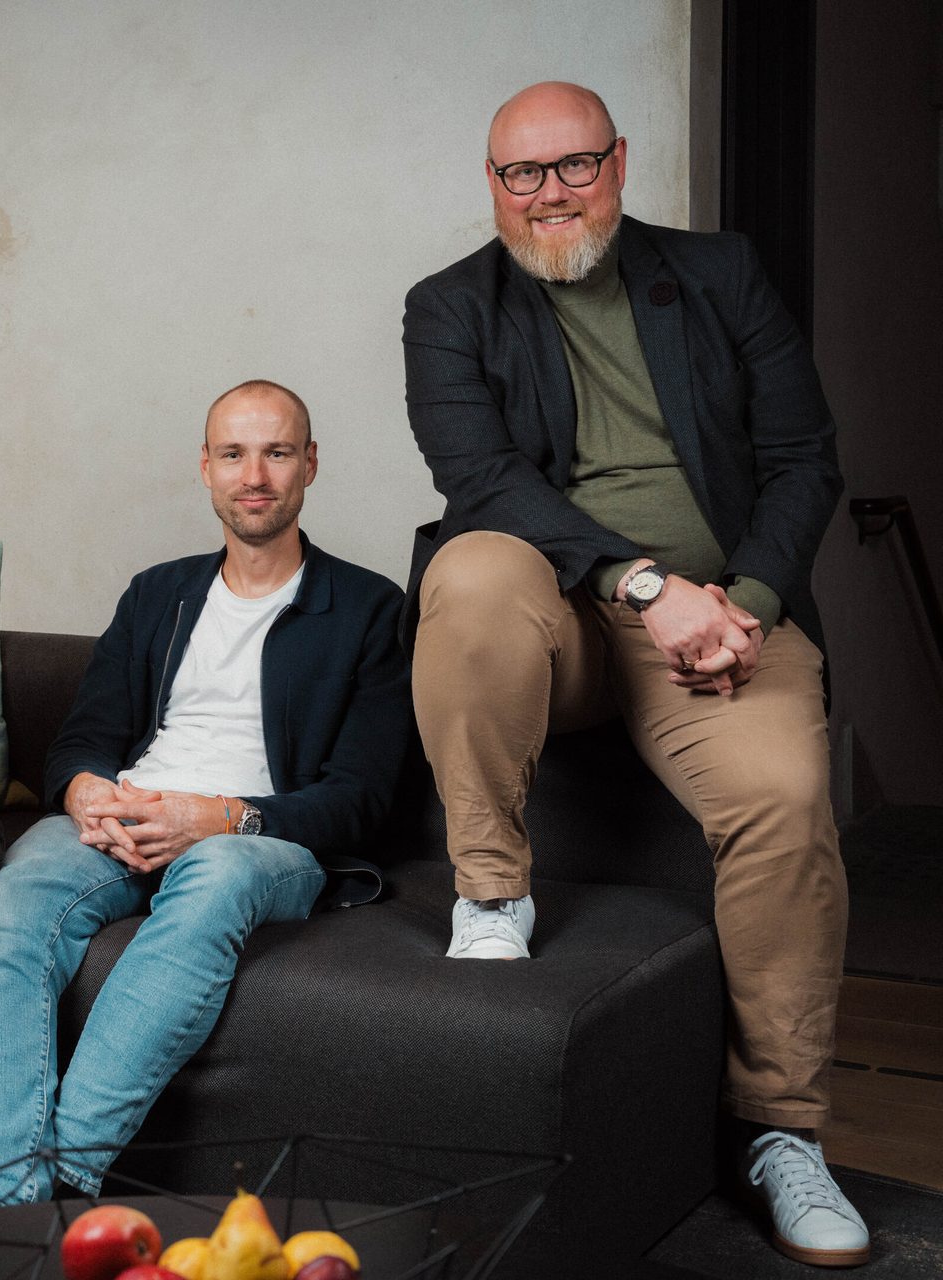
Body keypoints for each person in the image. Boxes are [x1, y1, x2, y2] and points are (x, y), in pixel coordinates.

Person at [401, 82, 864, 1266]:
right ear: (492, 184)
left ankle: (780, 1129)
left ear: (620, 160)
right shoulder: (450, 306)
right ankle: (494, 895)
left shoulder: (719, 274)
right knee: (471, 567)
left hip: (728, 624)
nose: (550, 193)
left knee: (786, 799)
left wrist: (742, 604)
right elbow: (483, 476)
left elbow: (805, 459)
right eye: (523, 174)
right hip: (566, 612)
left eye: (575, 166)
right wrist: (648, 589)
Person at [0, 380, 412, 1210]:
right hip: (129, 814)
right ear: (206, 467)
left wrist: (216, 818)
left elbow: (362, 797)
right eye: (233, 454)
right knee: (11, 899)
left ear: (310, 465)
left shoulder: (369, 608)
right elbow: (84, 740)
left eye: (275, 452)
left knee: (217, 877)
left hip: (258, 841)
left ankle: (58, 1180)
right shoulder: (160, 592)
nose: (254, 474)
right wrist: (88, 793)